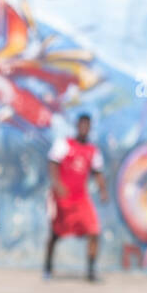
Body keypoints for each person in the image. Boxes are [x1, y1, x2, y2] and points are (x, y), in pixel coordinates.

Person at [44, 113, 108, 282]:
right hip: (63, 198)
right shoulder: (64, 144)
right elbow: (52, 163)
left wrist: (103, 191)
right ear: (77, 126)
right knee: (56, 233)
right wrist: (57, 185)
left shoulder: (93, 151)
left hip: (81, 199)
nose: (84, 128)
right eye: (82, 125)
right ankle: (48, 267)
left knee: (94, 231)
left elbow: (98, 173)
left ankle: (91, 271)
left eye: (87, 125)